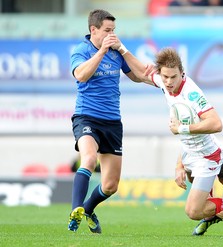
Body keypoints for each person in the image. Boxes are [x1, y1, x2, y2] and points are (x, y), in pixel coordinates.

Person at [68, 9, 152, 233]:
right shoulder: (82, 50)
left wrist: (159, 81)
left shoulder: (116, 52)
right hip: (87, 116)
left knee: (110, 185)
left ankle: (87, 208)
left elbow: (137, 76)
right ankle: (75, 210)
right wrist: (102, 51)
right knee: (88, 159)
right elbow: (81, 75)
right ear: (93, 30)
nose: (111, 34)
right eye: (107, 30)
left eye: (113, 30)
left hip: (113, 121)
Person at [140, 47, 223, 221]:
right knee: (203, 204)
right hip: (190, 153)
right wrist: (119, 49)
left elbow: (217, 124)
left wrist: (181, 129)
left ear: (182, 73)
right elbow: (138, 73)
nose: (169, 81)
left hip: (207, 155)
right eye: (165, 77)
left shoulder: (192, 93)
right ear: (160, 74)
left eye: (174, 77)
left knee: (194, 212)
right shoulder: (165, 83)